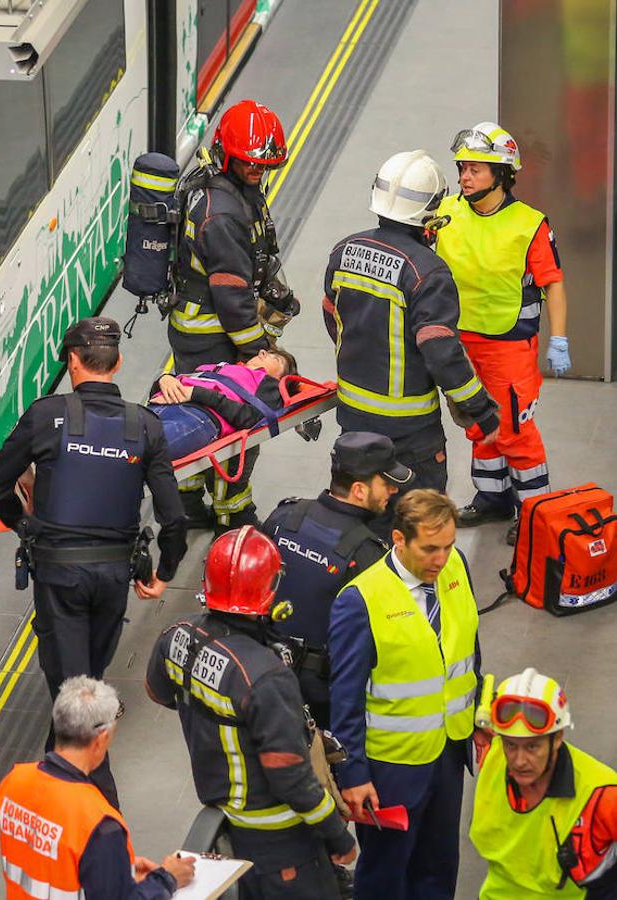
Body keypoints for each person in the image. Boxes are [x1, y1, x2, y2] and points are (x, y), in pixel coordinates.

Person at [0, 316, 187, 805]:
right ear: (116, 363)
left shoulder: (46, 416)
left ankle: (95, 802)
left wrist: (27, 527)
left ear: (72, 361)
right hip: (115, 576)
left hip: (59, 576)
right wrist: (164, 572)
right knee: (86, 678)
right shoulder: (145, 425)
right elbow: (173, 518)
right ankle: (62, 774)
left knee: (75, 690)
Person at [147, 526, 356, 899]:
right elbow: (291, 776)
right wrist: (337, 835)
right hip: (283, 844)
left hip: (227, 824)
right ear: (269, 591)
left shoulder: (176, 635)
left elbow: (159, 692)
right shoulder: (265, 676)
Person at [322, 149, 499, 539]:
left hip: (352, 417)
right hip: (409, 431)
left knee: (360, 516)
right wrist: (479, 409)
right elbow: (441, 352)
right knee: (419, 525)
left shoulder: (344, 250)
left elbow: (333, 318)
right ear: (429, 214)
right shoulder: (427, 271)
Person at [328, 489, 483, 899]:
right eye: (430, 549)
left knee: (439, 865)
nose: (441, 559)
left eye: (448, 546)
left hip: (449, 752)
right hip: (391, 769)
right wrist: (354, 774)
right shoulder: (361, 600)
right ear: (399, 539)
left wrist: (476, 716)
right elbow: (345, 698)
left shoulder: (456, 568)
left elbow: (467, 649)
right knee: (385, 874)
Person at [435, 122, 570, 544]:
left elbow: (553, 283)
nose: (464, 177)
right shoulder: (446, 215)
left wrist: (559, 339)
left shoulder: (529, 224)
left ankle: (534, 512)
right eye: (462, 169)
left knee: (515, 429)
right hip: (460, 343)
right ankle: (493, 498)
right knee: (479, 424)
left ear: (501, 172)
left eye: (474, 169)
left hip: (509, 346)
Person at [169, 99, 293, 533]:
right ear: (228, 153)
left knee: (197, 414)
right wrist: (259, 352)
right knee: (233, 425)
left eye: (264, 165)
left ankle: (186, 500)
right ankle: (233, 513)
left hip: (196, 327)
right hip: (213, 332)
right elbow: (232, 294)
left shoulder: (225, 187)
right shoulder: (221, 213)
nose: (258, 172)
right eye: (251, 164)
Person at [0, 676, 195, 899]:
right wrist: (167, 878)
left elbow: (47, 860)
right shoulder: (98, 824)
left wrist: (115, 871)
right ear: (100, 740)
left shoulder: (13, 782)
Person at [261, 432, 404, 730]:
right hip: (323, 697)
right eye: (385, 482)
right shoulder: (368, 556)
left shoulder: (284, 516)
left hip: (264, 674)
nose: (392, 489)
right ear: (359, 491)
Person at [471, 668, 617, 898]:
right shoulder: (493, 758)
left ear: (558, 738)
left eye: (532, 747)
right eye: (511, 745)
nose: (519, 761)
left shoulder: (602, 795)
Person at [148, 346, 296, 461]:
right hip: (158, 405)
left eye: (275, 358)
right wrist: (165, 379)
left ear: (279, 378)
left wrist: (196, 394)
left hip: (197, 415)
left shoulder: (267, 383)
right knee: (127, 440)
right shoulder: (221, 367)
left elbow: (253, 417)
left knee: (137, 451)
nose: (262, 353)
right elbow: (182, 382)